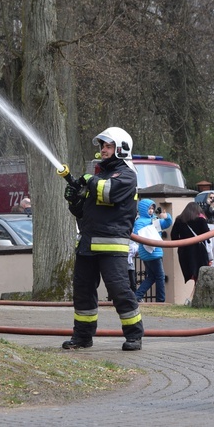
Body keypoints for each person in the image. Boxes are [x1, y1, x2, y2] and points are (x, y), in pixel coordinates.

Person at [62, 126, 144, 351]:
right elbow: (83, 212)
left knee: (119, 290)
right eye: (102, 146)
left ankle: (134, 335)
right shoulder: (100, 176)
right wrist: (74, 200)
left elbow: (108, 193)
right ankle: (82, 337)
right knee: (83, 291)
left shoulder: (127, 175)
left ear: (121, 149)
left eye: (109, 146)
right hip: (87, 245)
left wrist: (88, 180)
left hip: (111, 246)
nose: (104, 150)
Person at [133, 199, 172, 302]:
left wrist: (166, 216)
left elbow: (167, 223)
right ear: (143, 209)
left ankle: (137, 296)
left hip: (152, 252)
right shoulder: (140, 221)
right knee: (160, 276)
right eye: (149, 208)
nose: (151, 210)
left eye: (152, 208)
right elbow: (138, 234)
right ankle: (160, 300)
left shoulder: (154, 219)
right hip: (151, 252)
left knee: (152, 277)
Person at [170, 201, 211, 285]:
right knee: (201, 274)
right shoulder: (200, 220)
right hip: (199, 250)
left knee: (192, 273)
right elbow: (207, 234)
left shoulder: (179, 220)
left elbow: (173, 236)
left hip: (184, 250)